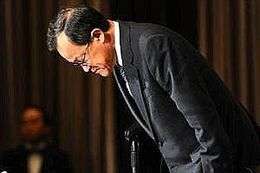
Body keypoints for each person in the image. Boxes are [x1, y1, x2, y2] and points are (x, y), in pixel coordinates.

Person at [47, 6, 260, 173]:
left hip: (218, 164)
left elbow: (205, 121)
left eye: (81, 60)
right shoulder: (119, 56)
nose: (84, 69)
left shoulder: (153, 45)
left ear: (98, 36)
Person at [0, 105, 72, 173]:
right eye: (24, 123)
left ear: (46, 127)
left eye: (34, 122)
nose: (28, 127)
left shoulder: (59, 158)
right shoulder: (9, 158)